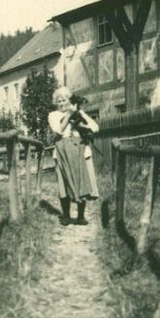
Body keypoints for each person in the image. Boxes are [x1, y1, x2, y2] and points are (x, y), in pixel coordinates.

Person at [47, 85, 99, 225]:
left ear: (69, 100)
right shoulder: (54, 115)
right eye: (59, 101)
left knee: (82, 180)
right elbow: (58, 130)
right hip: (62, 152)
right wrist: (69, 115)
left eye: (64, 100)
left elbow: (95, 127)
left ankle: (81, 216)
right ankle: (66, 215)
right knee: (64, 183)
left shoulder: (79, 113)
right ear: (55, 103)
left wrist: (80, 115)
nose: (62, 103)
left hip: (80, 151)